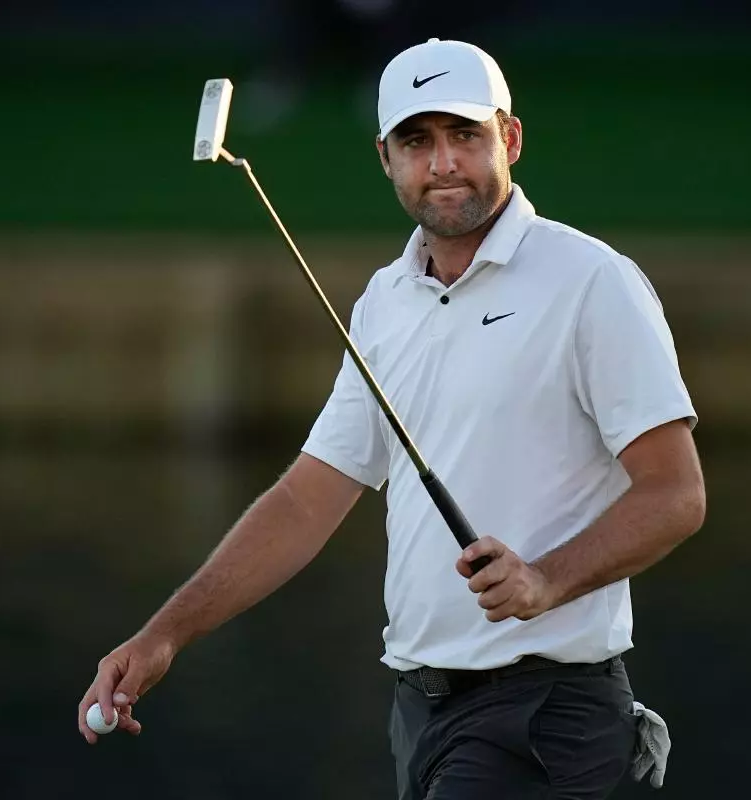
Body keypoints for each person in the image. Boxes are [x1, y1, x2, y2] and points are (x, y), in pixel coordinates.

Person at [78, 38, 704, 800]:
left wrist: (545, 580)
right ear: (386, 157)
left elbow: (675, 494)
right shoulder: (384, 303)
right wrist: (164, 634)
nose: (442, 163)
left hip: (546, 712)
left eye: (463, 135)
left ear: (508, 138)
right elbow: (307, 499)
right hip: (420, 710)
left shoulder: (592, 282)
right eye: (417, 141)